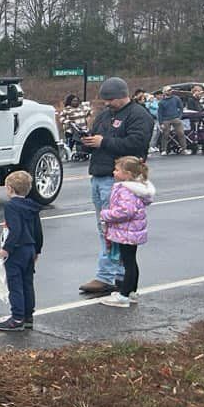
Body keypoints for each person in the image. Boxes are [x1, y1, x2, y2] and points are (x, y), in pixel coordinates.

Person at [77, 77, 153, 298]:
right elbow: (99, 139)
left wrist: (104, 142)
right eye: (105, 100)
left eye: (110, 99)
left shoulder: (139, 116)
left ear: (122, 95)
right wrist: (88, 142)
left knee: (114, 229)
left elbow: (136, 145)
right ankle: (114, 274)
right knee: (105, 228)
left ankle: (110, 276)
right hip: (99, 175)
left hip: (120, 179)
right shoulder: (104, 116)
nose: (107, 103)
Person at [98, 156, 154, 309]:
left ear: (128, 174)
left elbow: (126, 211)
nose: (114, 172)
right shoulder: (136, 189)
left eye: (117, 170)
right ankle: (131, 291)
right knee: (131, 261)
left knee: (128, 262)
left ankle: (123, 295)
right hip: (132, 231)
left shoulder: (126, 190)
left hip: (126, 232)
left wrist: (106, 214)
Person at [0, 169, 44, 332]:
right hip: (30, 249)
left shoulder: (11, 207)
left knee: (15, 284)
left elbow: (15, 230)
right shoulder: (32, 207)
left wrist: (6, 249)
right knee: (27, 283)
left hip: (17, 249)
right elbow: (38, 230)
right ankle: (28, 316)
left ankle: (16, 318)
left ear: (10, 189)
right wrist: (37, 250)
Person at [155, 88, 185, 154]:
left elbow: (181, 107)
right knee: (165, 135)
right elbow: (160, 113)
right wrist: (161, 123)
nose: (170, 91)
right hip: (166, 120)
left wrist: (179, 116)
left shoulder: (176, 98)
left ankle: (184, 149)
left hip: (175, 118)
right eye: (168, 90)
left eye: (170, 90)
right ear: (164, 92)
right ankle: (163, 150)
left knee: (181, 133)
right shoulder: (161, 102)